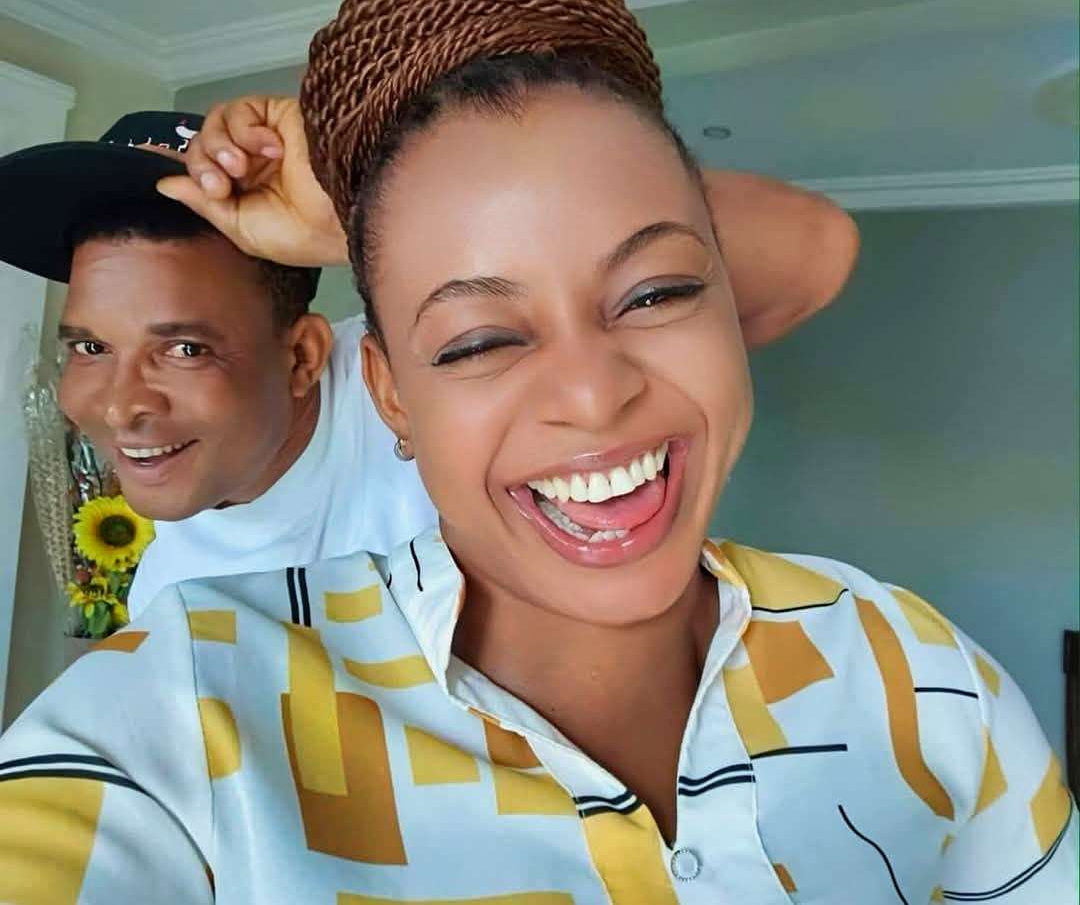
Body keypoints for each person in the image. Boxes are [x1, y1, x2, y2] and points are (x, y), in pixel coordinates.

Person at [0, 0, 1073, 904]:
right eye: (477, 341)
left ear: (309, 358)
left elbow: (815, 249)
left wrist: (380, 199)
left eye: (657, 293)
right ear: (391, 390)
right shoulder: (179, 695)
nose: (593, 395)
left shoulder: (918, 671)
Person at [1, 106, 855, 621]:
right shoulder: (171, 601)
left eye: (185, 348)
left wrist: (373, 217)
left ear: (305, 357)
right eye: (90, 348)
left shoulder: (439, 362)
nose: (119, 405)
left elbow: (812, 252)